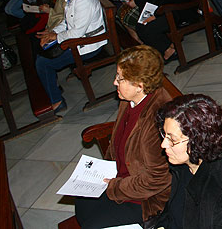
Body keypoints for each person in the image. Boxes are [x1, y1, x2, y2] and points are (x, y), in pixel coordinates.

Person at [74, 45, 173, 229]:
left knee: (93, 223)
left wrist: (114, 187)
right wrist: (104, 172)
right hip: (122, 179)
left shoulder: (158, 119)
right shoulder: (129, 99)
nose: (114, 82)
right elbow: (120, 141)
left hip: (146, 199)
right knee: (82, 202)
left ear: (140, 85)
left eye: (120, 78)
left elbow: (158, 179)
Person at [156, 94, 222, 229]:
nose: (164, 144)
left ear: (197, 141)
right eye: (164, 135)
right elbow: (172, 211)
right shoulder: (184, 163)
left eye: (172, 139)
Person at [36, 0, 106, 113]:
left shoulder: (83, 2)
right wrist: (52, 32)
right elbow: (67, 22)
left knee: (44, 63)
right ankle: (52, 87)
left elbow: (76, 32)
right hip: (77, 40)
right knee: (41, 51)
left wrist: (56, 37)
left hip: (87, 44)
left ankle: (57, 100)